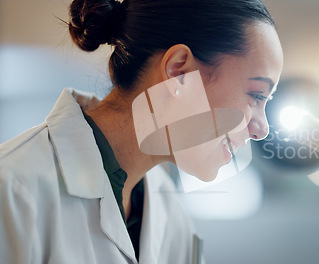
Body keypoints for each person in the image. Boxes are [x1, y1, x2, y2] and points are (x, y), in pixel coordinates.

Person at [0, 0, 283, 263]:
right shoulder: (13, 190)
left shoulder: (168, 212)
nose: (261, 129)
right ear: (179, 72)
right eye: (256, 95)